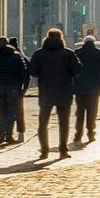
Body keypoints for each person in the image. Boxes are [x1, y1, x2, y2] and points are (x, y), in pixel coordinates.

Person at [29, 27, 78, 158]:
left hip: (46, 92)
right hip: (64, 91)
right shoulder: (68, 53)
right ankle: (63, 149)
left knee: (43, 123)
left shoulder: (39, 53)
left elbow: (32, 71)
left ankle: (44, 150)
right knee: (64, 123)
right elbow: (77, 70)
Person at [0, 35, 28, 144]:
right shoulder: (16, 56)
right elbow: (24, 72)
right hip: (13, 87)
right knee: (11, 112)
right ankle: (9, 135)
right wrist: (21, 86)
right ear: (8, 43)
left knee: (0, 112)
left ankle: (1, 135)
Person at [71, 32, 100, 146]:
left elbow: (72, 68)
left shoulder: (77, 53)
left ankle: (78, 134)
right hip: (94, 87)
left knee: (80, 111)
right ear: (93, 42)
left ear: (84, 42)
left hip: (79, 87)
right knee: (92, 111)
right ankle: (91, 132)